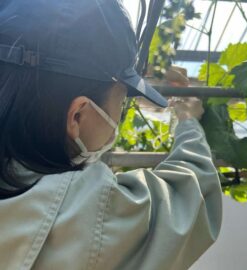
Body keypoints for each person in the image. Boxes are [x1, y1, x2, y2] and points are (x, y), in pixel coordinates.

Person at [0, 0, 222, 269]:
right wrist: (188, 122)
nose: (120, 114)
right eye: (122, 100)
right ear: (78, 115)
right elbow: (191, 197)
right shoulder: (91, 215)